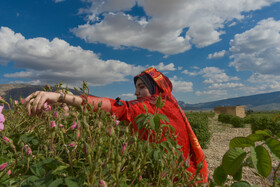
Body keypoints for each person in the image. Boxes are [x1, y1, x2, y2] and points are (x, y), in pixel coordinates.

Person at [25, 67, 208, 183]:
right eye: (136, 88)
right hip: (180, 174)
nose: (136, 92)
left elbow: (119, 109)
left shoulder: (157, 105)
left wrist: (62, 96)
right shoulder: (169, 105)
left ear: (156, 88)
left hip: (174, 178)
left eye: (142, 87)